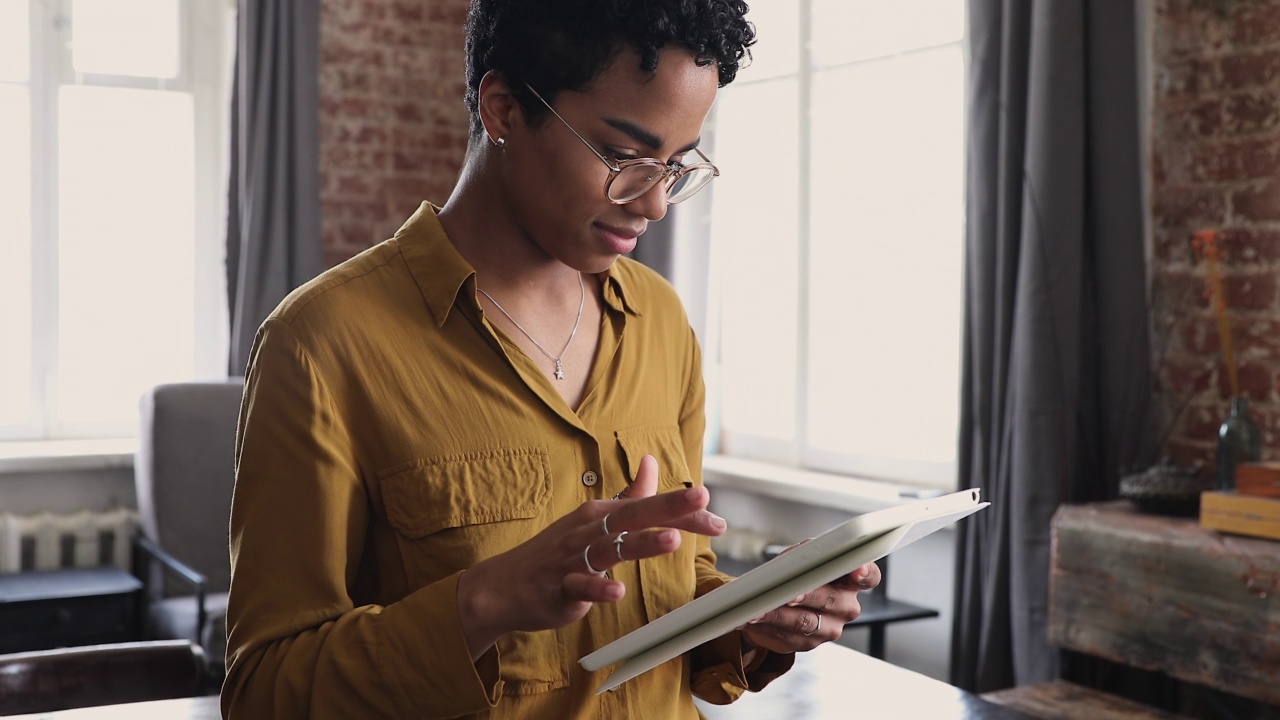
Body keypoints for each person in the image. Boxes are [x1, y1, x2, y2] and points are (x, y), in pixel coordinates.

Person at [221, 0, 881, 717]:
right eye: (625, 157)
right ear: (503, 108)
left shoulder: (661, 322)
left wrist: (749, 614)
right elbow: (264, 692)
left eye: (677, 163)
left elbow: (667, 595)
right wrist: (486, 601)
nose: (656, 203)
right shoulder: (320, 344)